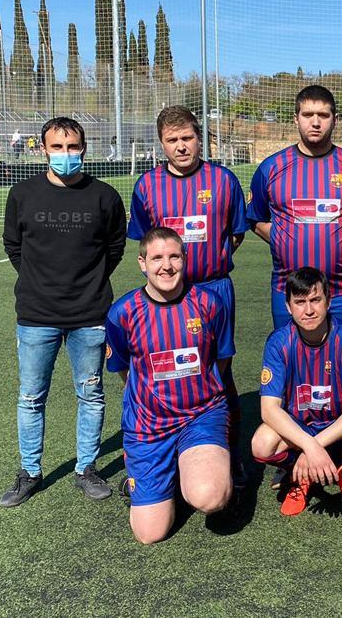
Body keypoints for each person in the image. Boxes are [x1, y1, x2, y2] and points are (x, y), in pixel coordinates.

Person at [0, 117, 127, 507]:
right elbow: (13, 247)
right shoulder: (22, 194)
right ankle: (30, 472)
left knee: (90, 394)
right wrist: (42, 283)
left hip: (89, 314)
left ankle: (86, 468)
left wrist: (85, 283)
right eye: (57, 147)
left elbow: (115, 249)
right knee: (30, 397)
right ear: (44, 149)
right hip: (37, 314)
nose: (65, 155)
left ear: (84, 149)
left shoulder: (104, 197)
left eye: (72, 148)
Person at [128, 105, 247, 478]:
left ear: (200, 138)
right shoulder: (146, 186)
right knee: (168, 373)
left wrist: (208, 261)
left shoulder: (224, 181)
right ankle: (166, 457)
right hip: (167, 298)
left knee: (220, 375)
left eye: (187, 138)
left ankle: (229, 455)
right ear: (162, 144)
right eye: (172, 140)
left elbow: (236, 233)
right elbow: (144, 243)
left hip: (213, 289)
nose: (181, 147)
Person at [105, 227, 235, 543]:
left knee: (209, 497)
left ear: (184, 259)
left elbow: (220, 361)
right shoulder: (122, 313)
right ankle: (160, 474)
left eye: (174, 256)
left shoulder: (210, 303)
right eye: (157, 258)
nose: (167, 265)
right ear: (142, 263)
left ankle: (199, 469)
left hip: (200, 415)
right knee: (149, 534)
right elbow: (124, 369)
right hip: (149, 425)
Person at [251, 267, 342, 519]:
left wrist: (313, 447)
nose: (309, 310)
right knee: (261, 444)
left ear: (329, 301)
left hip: (341, 431)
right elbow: (268, 409)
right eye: (300, 302)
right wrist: (307, 447)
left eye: (315, 300)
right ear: (289, 307)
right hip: (299, 431)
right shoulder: (279, 342)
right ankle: (297, 473)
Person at [247, 85, 342, 329]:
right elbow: (256, 218)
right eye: (307, 115)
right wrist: (280, 239)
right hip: (289, 291)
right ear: (296, 119)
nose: (315, 122)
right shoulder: (271, 168)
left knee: (341, 360)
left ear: (335, 120)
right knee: (290, 360)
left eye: (323, 115)